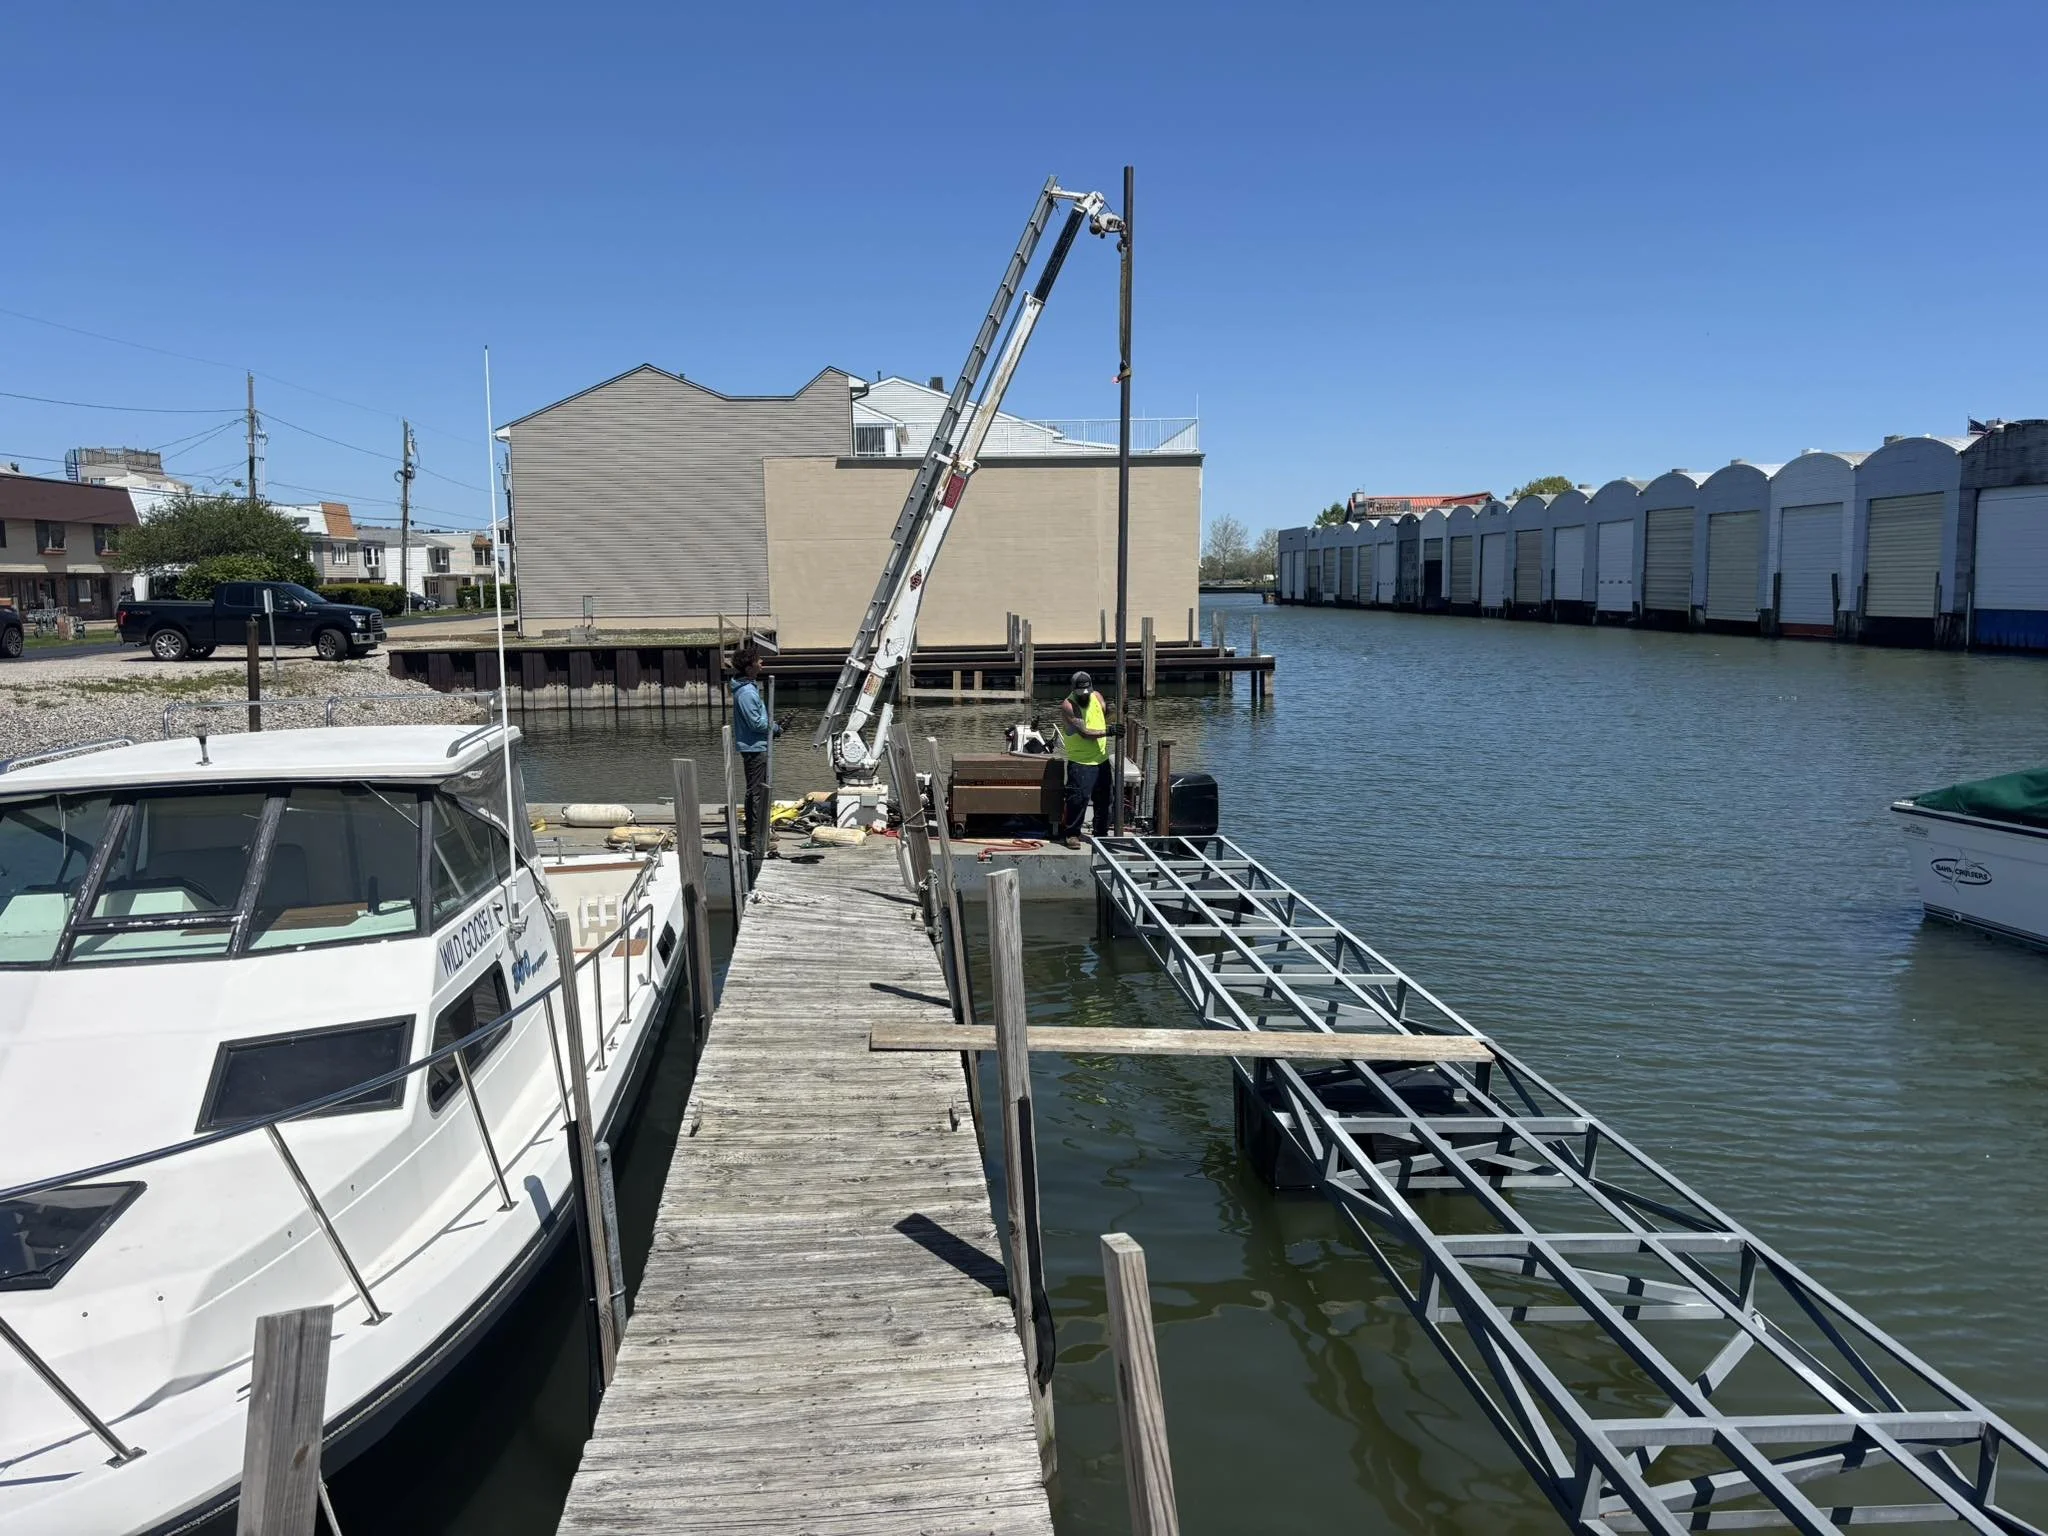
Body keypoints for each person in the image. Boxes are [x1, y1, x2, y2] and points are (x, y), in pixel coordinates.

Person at [729, 645, 781, 880]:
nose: (762, 664)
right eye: (759, 661)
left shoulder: (746, 689)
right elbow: (757, 724)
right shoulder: (747, 693)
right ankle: (756, 838)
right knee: (758, 792)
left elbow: (759, 720)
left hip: (755, 746)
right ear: (749, 666)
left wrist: (771, 723)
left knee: (756, 791)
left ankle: (758, 832)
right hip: (755, 748)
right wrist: (775, 727)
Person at [1056, 670, 1113, 847]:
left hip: (1101, 759)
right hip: (1080, 762)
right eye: (1080, 693)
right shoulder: (1068, 705)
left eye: (1086, 692)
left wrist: (1119, 713)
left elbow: (1105, 716)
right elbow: (1084, 732)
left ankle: (1101, 833)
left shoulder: (1097, 696)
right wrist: (1109, 732)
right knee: (1078, 800)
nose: (1084, 696)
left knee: (1105, 800)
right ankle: (1072, 834)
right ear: (1073, 690)